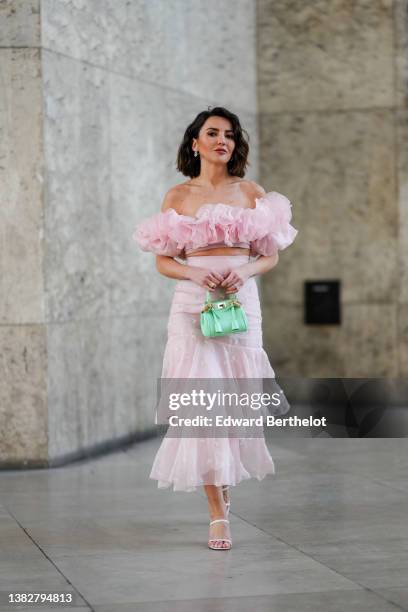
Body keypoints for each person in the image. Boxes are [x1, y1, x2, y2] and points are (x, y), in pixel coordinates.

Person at [133, 106, 298, 550]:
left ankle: (225, 491)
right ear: (195, 142)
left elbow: (270, 254)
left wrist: (244, 273)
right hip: (192, 306)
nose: (222, 140)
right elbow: (164, 260)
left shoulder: (251, 192)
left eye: (229, 134)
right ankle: (217, 514)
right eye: (212, 133)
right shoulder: (178, 196)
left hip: (241, 304)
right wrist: (194, 274)